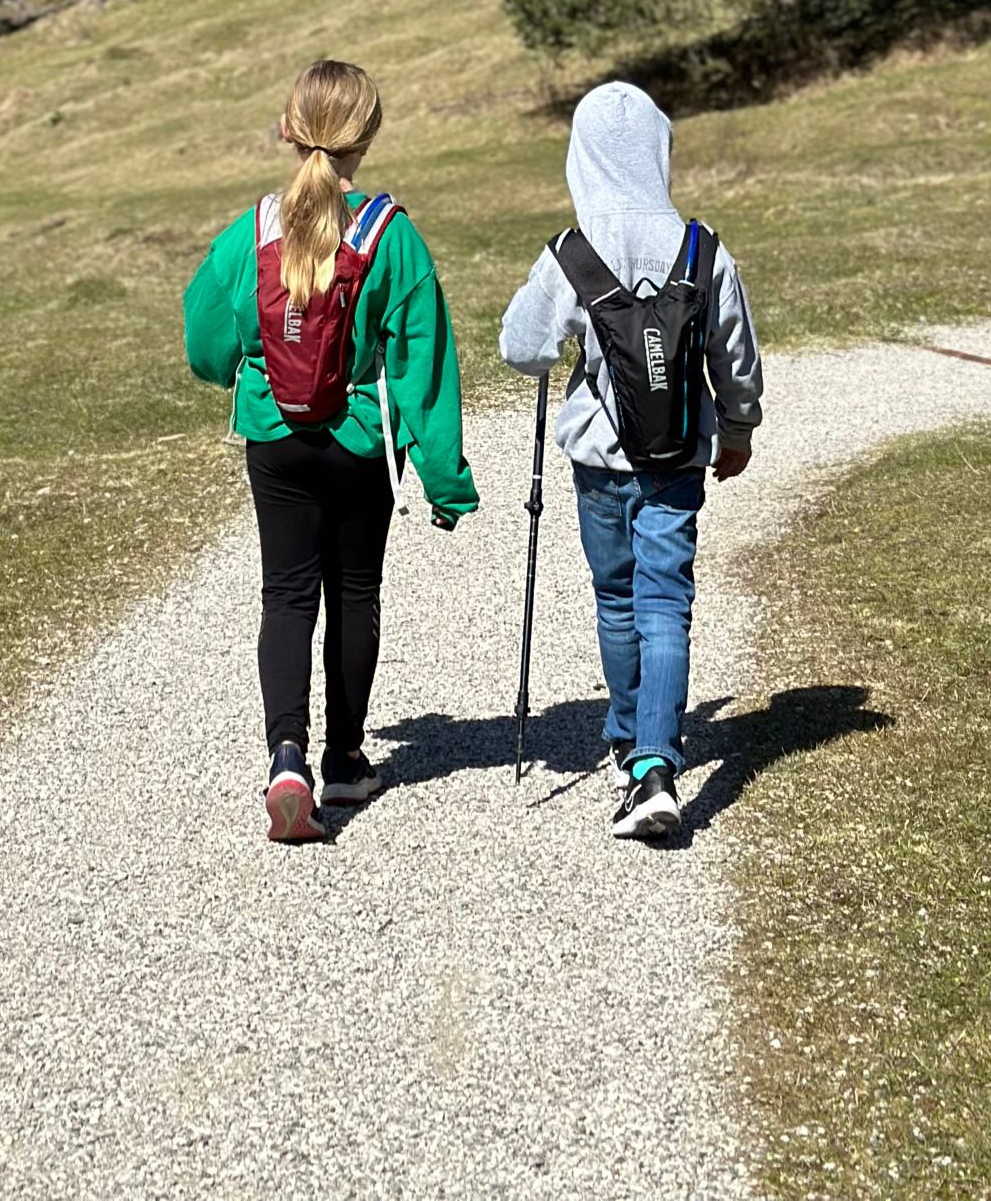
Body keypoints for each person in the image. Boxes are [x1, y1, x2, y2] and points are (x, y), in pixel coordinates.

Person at [185, 57, 477, 842]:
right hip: (359, 442)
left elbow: (204, 341)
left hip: (274, 436)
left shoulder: (251, 231)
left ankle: (287, 757)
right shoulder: (392, 236)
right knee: (354, 592)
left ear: (289, 128)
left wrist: (243, 369)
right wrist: (446, 478)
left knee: (285, 595)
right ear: (367, 134)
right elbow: (423, 366)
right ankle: (346, 759)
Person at [499, 79, 763, 841]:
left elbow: (521, 345)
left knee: (617, 597)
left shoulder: (572, 252)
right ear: (659, 150)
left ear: (581, 157)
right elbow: (734, 352)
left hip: (598, 459)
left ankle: (626, 741)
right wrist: (738, 428)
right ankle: (656, 761)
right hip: (677, 456)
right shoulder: (701, 248)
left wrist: (563, 342)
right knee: (665, 602)